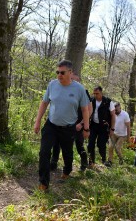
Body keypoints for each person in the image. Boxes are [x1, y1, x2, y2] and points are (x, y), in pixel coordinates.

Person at [34, 60, 90, 191]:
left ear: (70, 73)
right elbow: (44, 103)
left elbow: (85, 110)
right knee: (44, 152)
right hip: (51, 125)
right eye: (57, 72)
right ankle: (44, 183)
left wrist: (86, 128)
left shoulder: (79, 89)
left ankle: (67, 171)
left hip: (68, 128)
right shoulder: (52, 85)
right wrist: (37, 121)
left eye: (62, 72)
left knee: (67, 153)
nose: (59, 75)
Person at [50, 73, 93, 172]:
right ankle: (54, 162)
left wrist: (82, 124)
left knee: (79, 144)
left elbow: (90, 110)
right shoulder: (63, 89)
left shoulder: (83, 92)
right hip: (64, 124)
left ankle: (84, 163)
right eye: (72, 79)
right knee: (57, 143)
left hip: (78, 124)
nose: (73, 82)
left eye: (75, 80)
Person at [88, 86, 116, 166]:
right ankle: (91, 161)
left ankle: (103, 159)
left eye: (97, 93)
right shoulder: (91, 100)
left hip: (103, 126)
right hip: (93, 125)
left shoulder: (108, 102)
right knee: (90, 144)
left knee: (101, 144)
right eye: (94, 93)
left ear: (101, 93)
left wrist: (112, 128)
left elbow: (113, 115)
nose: (96, 95)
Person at [105, 102, 130, 167]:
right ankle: (110, 161)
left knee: (117, 148)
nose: (115, 111)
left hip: (122, 135)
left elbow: (128, 126)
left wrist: (128, 137)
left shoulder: (125, 115)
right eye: (114, 110)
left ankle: (121, 160)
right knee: (110, 147)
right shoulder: (112, 114)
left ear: (120, 108)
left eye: (116, 110)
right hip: (114, 133)